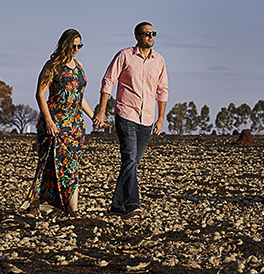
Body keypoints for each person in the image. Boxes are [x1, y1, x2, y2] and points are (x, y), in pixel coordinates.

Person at [94, 21, 169, 217]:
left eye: (153, 33)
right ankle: (132, 204)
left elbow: (162, 91)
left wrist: (160, 119)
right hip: (126, 114)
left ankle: (117, 205)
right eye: (146, 34)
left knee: (133, 162)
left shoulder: (159, 60)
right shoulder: (124, 55)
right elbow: (108, 80)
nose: (150, 37)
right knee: (129, 158)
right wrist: (102, 110)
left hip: (147, 118)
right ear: (137, 36)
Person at [24, 28, 95, 216]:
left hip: (75, 125)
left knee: (72, 165)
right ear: (65, 44)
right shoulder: (52, 65)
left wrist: (93, 116)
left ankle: (73, 210)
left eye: (80, 46)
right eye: (73, 46)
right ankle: (35, 205)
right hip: (55, 123)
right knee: (47, 163)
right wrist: (48, 120)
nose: (77, 49)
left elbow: (79, 97)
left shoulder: (79, 66)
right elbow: (40, 94)